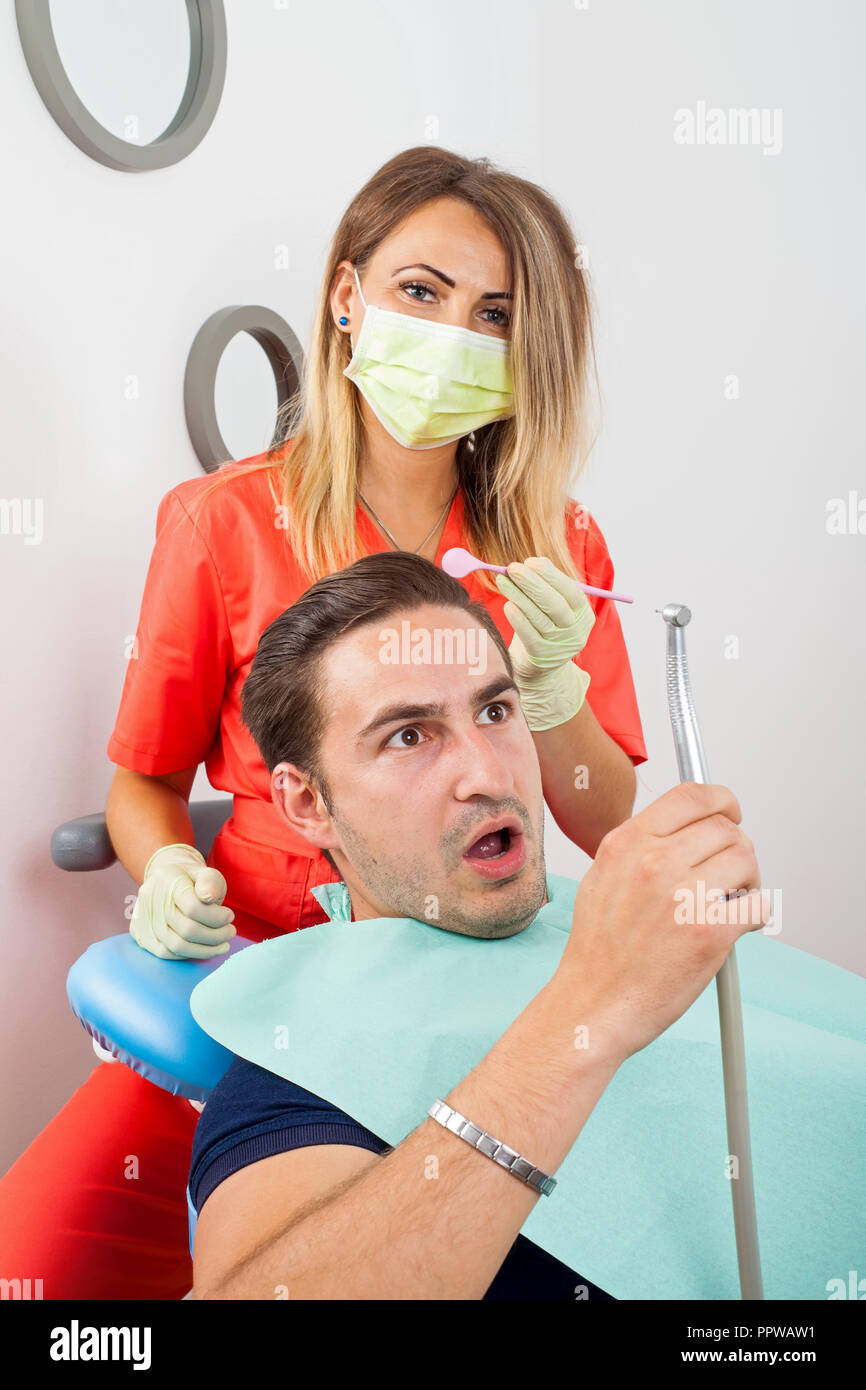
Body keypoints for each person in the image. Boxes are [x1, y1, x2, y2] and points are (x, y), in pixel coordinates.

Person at [0, 146, 647, 1299]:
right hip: (254, 985)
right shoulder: (220, 524)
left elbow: (604, 820)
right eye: (420, 291)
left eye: (493, 312)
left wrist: (549, 698)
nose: (454, 332)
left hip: (470, 983)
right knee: (35, 1265)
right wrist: (165, 876)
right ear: (346, 298)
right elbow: (142, 783)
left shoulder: (558, 544)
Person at [187, 551, 775, 1300]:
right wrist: (591, 1007)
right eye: (410, 736)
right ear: (308, 805)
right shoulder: (300, 1068)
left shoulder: (633, 925)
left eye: (496, 712)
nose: (491, 776)